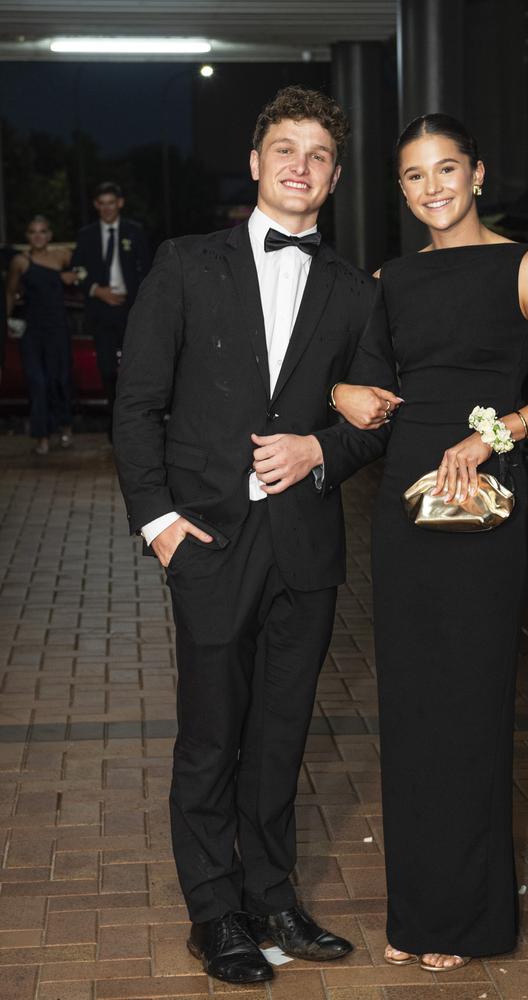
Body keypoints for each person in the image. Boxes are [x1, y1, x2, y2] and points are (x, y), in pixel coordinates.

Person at [112, 86, 389, 987]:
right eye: (285, 149)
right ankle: (214, 912)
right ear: (259, 161)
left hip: (305, 548)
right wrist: (159, 526)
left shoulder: (354, 290)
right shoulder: (188, 265)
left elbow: (374, 415)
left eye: (317, 154)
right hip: (207, 545)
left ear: (335, 177)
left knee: (281, 737)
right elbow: (138, 407)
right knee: (210, 738)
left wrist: (324, 447)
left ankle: (273, 898)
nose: (300, 165)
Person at [331, 113, 528, 972]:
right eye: (414, 175)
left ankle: (471, 920)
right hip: (406, 504)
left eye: (447, 169)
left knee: (473, 701)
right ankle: (418, 912)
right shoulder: (391, 279)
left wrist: (498, 435)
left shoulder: (527, 266)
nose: (432, 187)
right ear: (401, 190)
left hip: (482, 495)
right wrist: (340, 389)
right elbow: (363, 386)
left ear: (478, 174)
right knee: (411, 706)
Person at [72, 182, 150, 436]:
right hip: (101, 309)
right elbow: (78, 271)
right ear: (96, 205)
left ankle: (133, 425)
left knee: (133, 368)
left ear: (120, 203)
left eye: (111, 202)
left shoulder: (134, 232)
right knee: (106, 368)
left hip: (131, 309)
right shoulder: (87, 235)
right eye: (101, 203)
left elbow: (148, 269)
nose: (107, 208)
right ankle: (112, 423)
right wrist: (97, 290)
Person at [5, 215, 76, 455]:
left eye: (42, 231)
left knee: (59, 380)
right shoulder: (20, 262)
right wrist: (5, 322)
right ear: (27, 236)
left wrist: (77, 277)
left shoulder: (63, 256)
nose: (38, 235)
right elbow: (10, 293)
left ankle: (65, 425)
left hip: (58, 329)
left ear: (49, 235)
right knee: (38, 382)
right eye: (33, 232)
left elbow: (87, 270)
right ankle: (42, 435)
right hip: (33, 331)